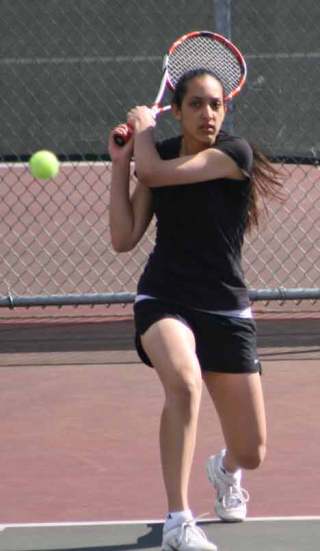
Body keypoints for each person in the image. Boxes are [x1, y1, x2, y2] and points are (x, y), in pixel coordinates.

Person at [108, 68, 283, 551]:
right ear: (179, 110)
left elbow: (159, 174)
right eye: (197, 104)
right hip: (164, 297)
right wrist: (121, 163)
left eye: (216, 104)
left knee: (253, 451)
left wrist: (142, 133)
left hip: (225, 307)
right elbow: (124, 238)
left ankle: (223, 470)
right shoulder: (156, 153)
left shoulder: (233, 154)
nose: (208, 113)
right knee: (184, 383)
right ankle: (178, 521)